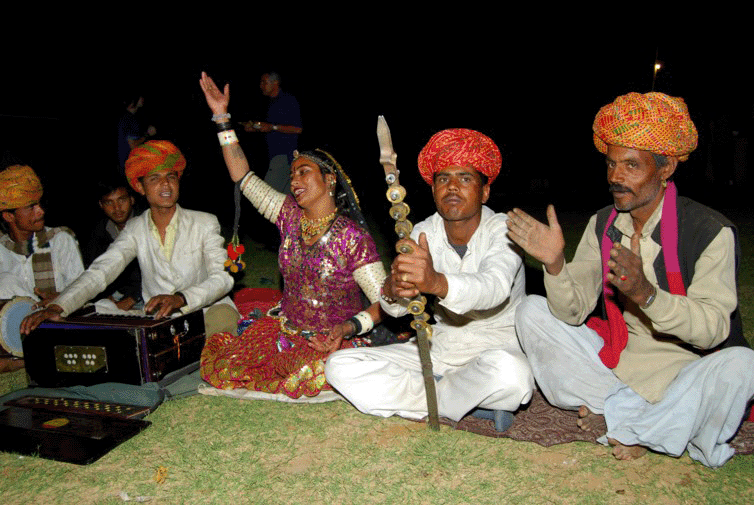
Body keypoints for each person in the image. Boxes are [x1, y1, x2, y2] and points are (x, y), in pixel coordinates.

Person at [507, 91, 754, 467]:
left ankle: (634, 423)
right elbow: (572, 313)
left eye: (631, 166)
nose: (615, 178)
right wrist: (555, 265)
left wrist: (648, 295)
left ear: (666, 166)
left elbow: (714, 329)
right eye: (610, 165)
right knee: (530, 311)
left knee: (744, 365)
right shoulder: (604, 224)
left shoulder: (709, 232)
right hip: (613, 370)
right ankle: (645, 420)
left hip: (682, 377)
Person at [325, 128, 534, 429]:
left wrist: (435, 282)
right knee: (340, 367)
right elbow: (396, 307)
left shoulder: (504, 230)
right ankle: (456, 400)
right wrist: (394, 289)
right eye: (442, 179)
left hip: (495, 352)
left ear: (485, 191)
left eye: (464, 178)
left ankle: (431, 396)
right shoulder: (423, 231)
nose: (452, 187)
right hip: (442, 352)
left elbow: (494, 287)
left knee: (514, 378)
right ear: (433, 189)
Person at [198, 72, 386, 399]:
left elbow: (384, 301)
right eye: (292, 174)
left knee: (313, 375)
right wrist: (221, 119)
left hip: (334, 338)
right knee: (229, 364)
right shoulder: (288, 215)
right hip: (286, 331)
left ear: (329, 180)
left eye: (303, 172)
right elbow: (242, 176)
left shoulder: (351, 236)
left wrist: (346, 329)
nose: (295, 180)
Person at [21, 140, 238, 338]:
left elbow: (223, 278)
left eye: (171, 176)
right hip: (161, 320)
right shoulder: (135, 229)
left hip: (205, 310)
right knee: (101, 312)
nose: (166, 184)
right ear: (141, 187)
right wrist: (57, 307)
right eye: (155, 178)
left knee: (223, 320)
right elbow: (101, 271)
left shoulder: (205, 222)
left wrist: (181, 298)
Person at [1, 164, 84, 303]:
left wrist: (60, 299)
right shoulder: (2, 248)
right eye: (31, 207)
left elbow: (81, 291)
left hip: (58, 319)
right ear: (9, 217)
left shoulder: (59, 239)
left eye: (39, 204)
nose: (41, 211)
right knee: (6, 283)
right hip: (14, 322)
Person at [82, 179, 142, 311]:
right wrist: (104, 296)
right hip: (114, 299)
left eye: (122, 200)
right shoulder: (97, 232)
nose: (117, 208)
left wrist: (132, 299)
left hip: (146, 297)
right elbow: (93, 269)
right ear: (101, 205)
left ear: (132, 200)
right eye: (109, 202)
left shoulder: (147, 224)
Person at [241, 71, 302, 193]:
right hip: (276, 157)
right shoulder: (271, 104)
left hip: (285, 156)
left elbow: (298, 129)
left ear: (275, 83)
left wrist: (272, 127)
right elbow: (271, 127)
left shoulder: (287, 100)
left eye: (264, 82)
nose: (261, 85)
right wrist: (254, 128)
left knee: (266, 196)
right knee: (286, 200)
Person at [116, 93, 156, 177]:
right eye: (140, 96)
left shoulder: (125, 117)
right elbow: (133, 145)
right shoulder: (129, 119)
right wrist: (148, 134)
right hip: (129, 166)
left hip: (124, 166)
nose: (143, 99)